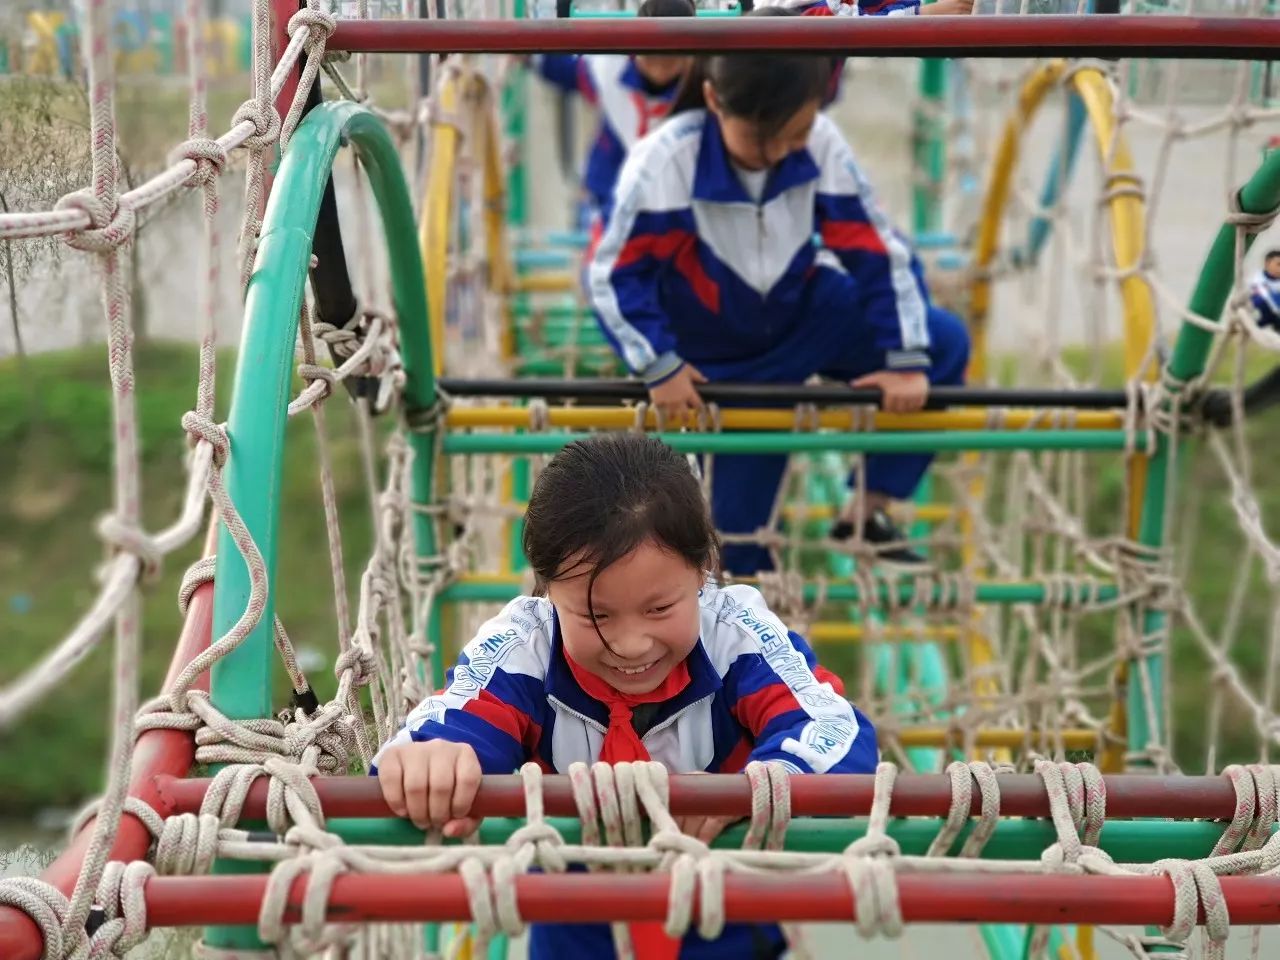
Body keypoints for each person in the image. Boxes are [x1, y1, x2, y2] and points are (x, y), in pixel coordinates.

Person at [375, 433, 877, 960]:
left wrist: (764, 785)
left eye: (660, 609)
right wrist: (434, 760)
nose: (630, 644)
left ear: (703, 570)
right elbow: (456, 722)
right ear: (545, 590)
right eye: (596, 615)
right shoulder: (525, 645)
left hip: (726, 904)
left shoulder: (735, 632)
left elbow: (838, 732)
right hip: (574, 910)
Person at [588, 12, 970, 575]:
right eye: (760, 138)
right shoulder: (666, 162)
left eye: (793, 135)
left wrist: (905, 358)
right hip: (715, 355)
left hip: (803, 315)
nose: (776, 153)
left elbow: (875, 250)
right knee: (735, 543)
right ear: (714, 100)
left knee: (942, 345)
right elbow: (614, 277)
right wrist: (660, 364)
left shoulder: (818, 145)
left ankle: (868, 510)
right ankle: (747, 623)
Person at [532, 0, 696, 243]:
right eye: (651, 59)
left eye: (670, 61)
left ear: (688, 57)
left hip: (677, 203)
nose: (660, 68)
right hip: (610, 192)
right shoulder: (609, 69)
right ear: (636, 48)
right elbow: (566, 71)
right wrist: (526, 52)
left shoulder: (702, 85)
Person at [1250, 248, 1280, 331]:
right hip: (1263, 314)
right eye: (1278, 264)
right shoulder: (1258, 280)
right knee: (1262, 299)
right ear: (1267, 264)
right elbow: (1266, 297)